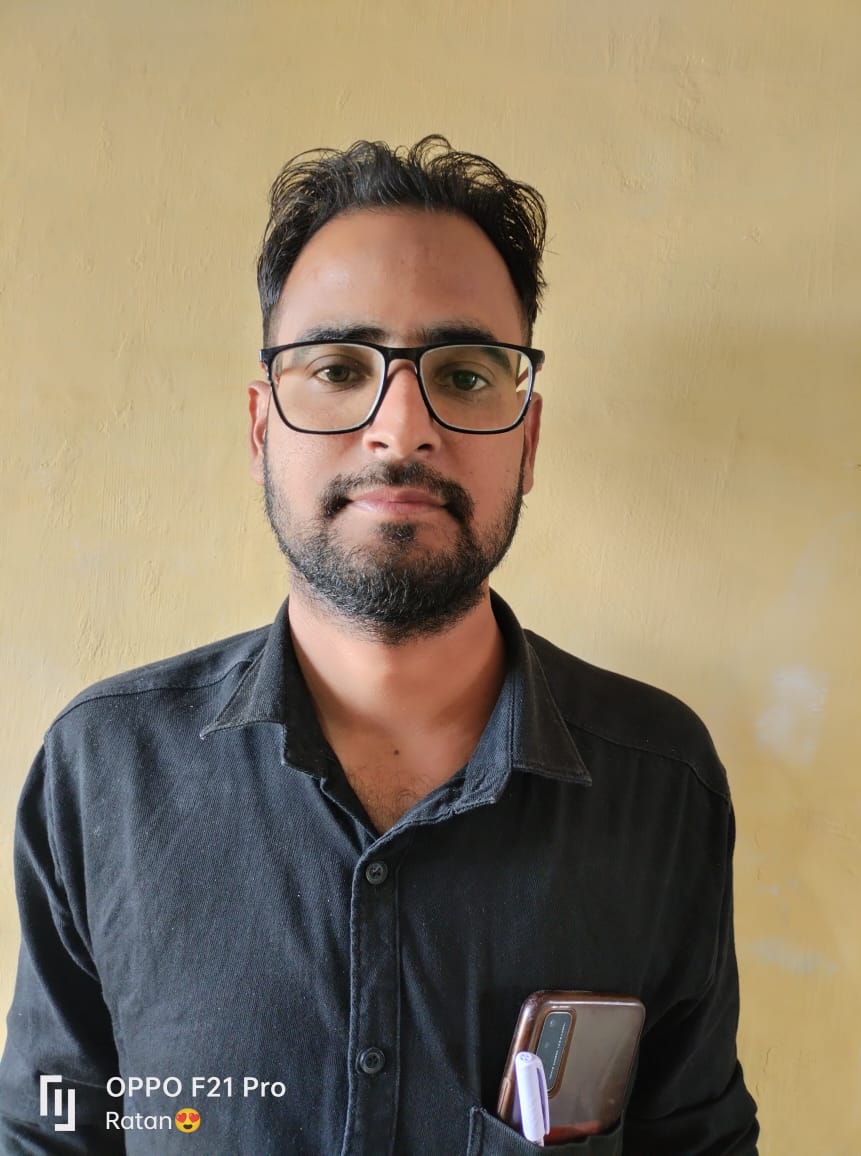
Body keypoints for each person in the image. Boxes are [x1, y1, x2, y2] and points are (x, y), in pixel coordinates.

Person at [0, 136, 759, 1154]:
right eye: (338, 368)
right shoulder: (104, 771)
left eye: (466, 373)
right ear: (261, 429)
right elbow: (52, 1134)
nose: (401, 430)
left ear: (528, 440)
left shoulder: (659, 782)